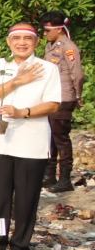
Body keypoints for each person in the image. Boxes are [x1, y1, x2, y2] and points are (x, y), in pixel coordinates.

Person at [0, 23, 62, 250]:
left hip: (32, 144)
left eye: (28, 38)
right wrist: (16, 81)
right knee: (0, 200)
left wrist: (23, 113)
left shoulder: (48, 68)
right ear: (8, 41)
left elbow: (54, 105)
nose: (22, 42)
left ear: (36, 42)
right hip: (1, 143)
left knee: (26, 201)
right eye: (17, 38)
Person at [42, 11, 83, 194]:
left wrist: (78, 96)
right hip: (51, 96)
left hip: (64, 97)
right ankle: (50, 175)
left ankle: (65, 178)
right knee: (50, 137)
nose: (45, 34)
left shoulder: (69, 47)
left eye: (47, 30)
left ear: (58, 29)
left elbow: (77, 75)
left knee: (61, 139)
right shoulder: (50, 45)